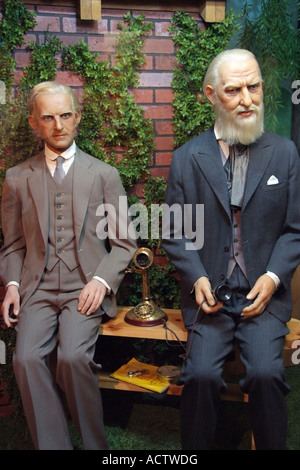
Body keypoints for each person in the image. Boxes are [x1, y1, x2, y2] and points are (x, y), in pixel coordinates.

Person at [162, 49, 300, 450]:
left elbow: (295, 229)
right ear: (210, 94)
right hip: (210, 299)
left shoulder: (285, 154)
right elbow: (173, 230)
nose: (247, 99)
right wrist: (197, 275)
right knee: (200, 376)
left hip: (264, 299)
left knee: (266, 375)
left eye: (254, 87)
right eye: (234, 90)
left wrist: (274, 278)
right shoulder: (187, 158)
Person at [0, 81, 137, 450]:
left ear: (76, 117)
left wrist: (102, 281)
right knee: (26, 359)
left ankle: (96, 446)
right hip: (37, 289)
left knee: (73, 357)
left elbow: (125, 243)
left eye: (65, 115)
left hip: (84, 288)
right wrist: (12, 286)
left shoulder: (104, 174)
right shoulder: (16, 178)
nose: (58, 125)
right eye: (48, 117)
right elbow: (12, 245)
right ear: (34, 122)